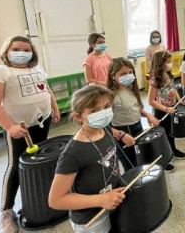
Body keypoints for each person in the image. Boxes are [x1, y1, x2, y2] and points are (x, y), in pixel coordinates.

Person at [0, 36, 61, 233]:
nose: (22, 53)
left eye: (26, 50)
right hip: (18, 127)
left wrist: (55, 109)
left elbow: (47, 91)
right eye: (16, 49)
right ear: (7, 51)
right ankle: (6, 211)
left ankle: (38, 199)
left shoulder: (37, 69)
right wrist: (9, 127)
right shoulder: (1, 72)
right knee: (16, 165)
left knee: (38, 161)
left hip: (42, 121)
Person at [49, 85, 133, 232]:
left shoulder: (104, 127)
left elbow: (112, 131)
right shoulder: (73, 153)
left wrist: (122, 135)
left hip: (115, 202)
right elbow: (56, 200)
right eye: (94, 111)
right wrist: (101, 200)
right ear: (78, 117)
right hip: (92, 218)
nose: (104, 113)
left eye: (107, 106)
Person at [106, 57, 166, 172]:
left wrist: (148, 115)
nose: (128, 76)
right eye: (123, 74)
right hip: (122, 133)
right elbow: (104, 127)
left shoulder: (131, 89)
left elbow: (135, 109)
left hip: (137, 128)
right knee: (130, 166)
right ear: (113, 76)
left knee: (140, 159)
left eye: (130, 72)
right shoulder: (110, 96)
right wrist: (121, 135)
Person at [148, 51, 185, 164]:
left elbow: (173, 88)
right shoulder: (155, 79)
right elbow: (150, 101)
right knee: (163, 135)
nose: (169, 65)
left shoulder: (167, 74)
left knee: (171, 132)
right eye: (167, 63)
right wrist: (166, 109)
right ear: (160, 63)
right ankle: (164, 159)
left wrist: (179, 100)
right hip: (162, 110)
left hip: (171, 107)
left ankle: (173, 150)